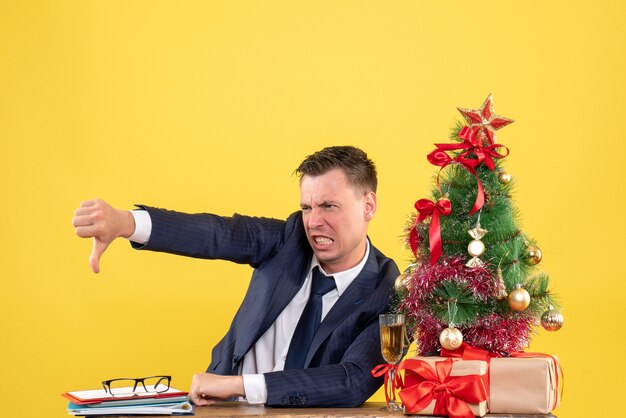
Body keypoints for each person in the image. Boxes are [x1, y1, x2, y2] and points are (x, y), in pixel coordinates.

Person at [72, 146, 399, 407]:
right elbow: (216, 234)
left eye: (329, 206)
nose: (313, 221)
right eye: (307, 207)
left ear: (368, 205)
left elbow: (354, 381)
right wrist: (126, 223)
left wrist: (240, 386)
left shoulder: (390, 288)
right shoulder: (289, 239)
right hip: (222, 410)